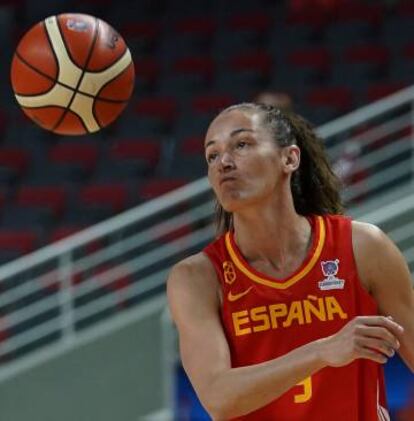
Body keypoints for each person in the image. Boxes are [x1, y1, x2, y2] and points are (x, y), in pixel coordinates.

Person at [167, 103, 414, 420]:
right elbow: (218, 396)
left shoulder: (363, 247)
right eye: (212, 155)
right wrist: (322, 351)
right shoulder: (197, 277)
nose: (223, 163)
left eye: (241, 144)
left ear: (290, 158)